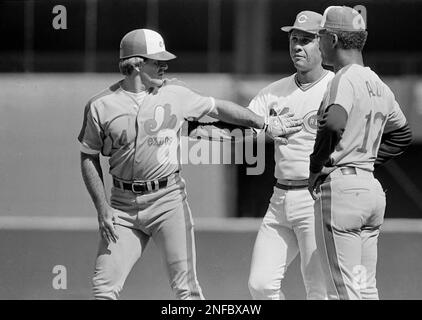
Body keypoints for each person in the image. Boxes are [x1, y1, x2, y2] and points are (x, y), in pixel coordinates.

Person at [78, 28, 302, 300]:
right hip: (122, 207)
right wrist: (102, 209)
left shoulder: (175, 93)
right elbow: (88, 155)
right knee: (103, 290)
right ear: (136, 64)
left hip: (167, 201)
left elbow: (218, 108)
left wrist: (263, 122)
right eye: (156, 61)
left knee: (187, 290)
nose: (164, 65)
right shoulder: (100, 105)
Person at [189, 11, 332, 299]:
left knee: (319, 290)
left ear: (324, 44)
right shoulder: (274, 92)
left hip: (317, 198)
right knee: (261, 284)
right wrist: (197, 130)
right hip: (280, 198)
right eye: (293, 39)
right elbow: (244, 133)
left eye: (306, 40)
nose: (297, 46)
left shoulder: (336, 86)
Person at [308, 6, 412, 300]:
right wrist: (366, 160)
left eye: (321, 36)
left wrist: (316, 167)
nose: (319, 43)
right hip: (370, 191)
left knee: (345, 293)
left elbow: (334, 123)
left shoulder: (343, 79)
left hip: (342, 192)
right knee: (366, 290)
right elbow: (403, 134)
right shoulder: (380, 85)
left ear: (334, 40)